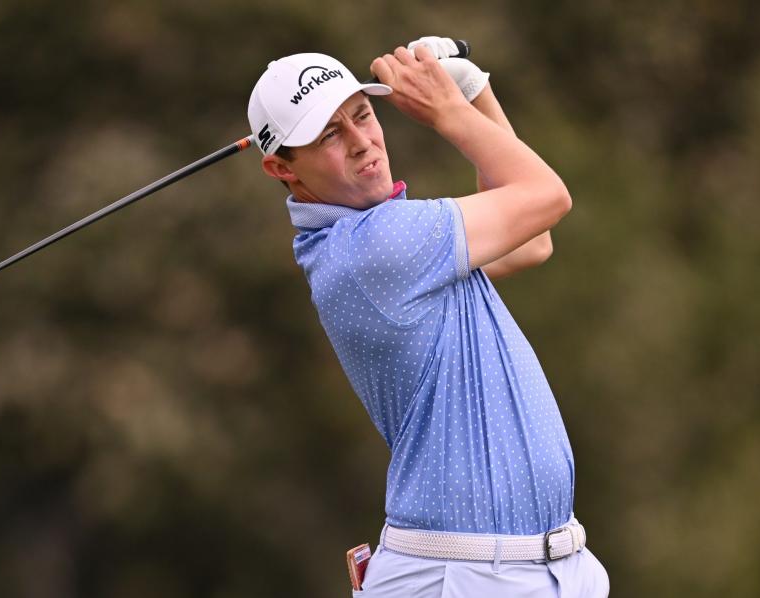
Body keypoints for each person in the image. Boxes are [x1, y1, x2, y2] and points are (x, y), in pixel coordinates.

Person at [247, 36, 609, 597]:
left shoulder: (392, 241)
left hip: (540, 567)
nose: (363, 142)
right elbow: (547, 197)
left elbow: (533, 241)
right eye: (330, 136)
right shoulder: (376, 247)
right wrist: (449, 110)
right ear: (281, 169)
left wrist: (472, 88)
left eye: (364, 115)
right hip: (466, 577)